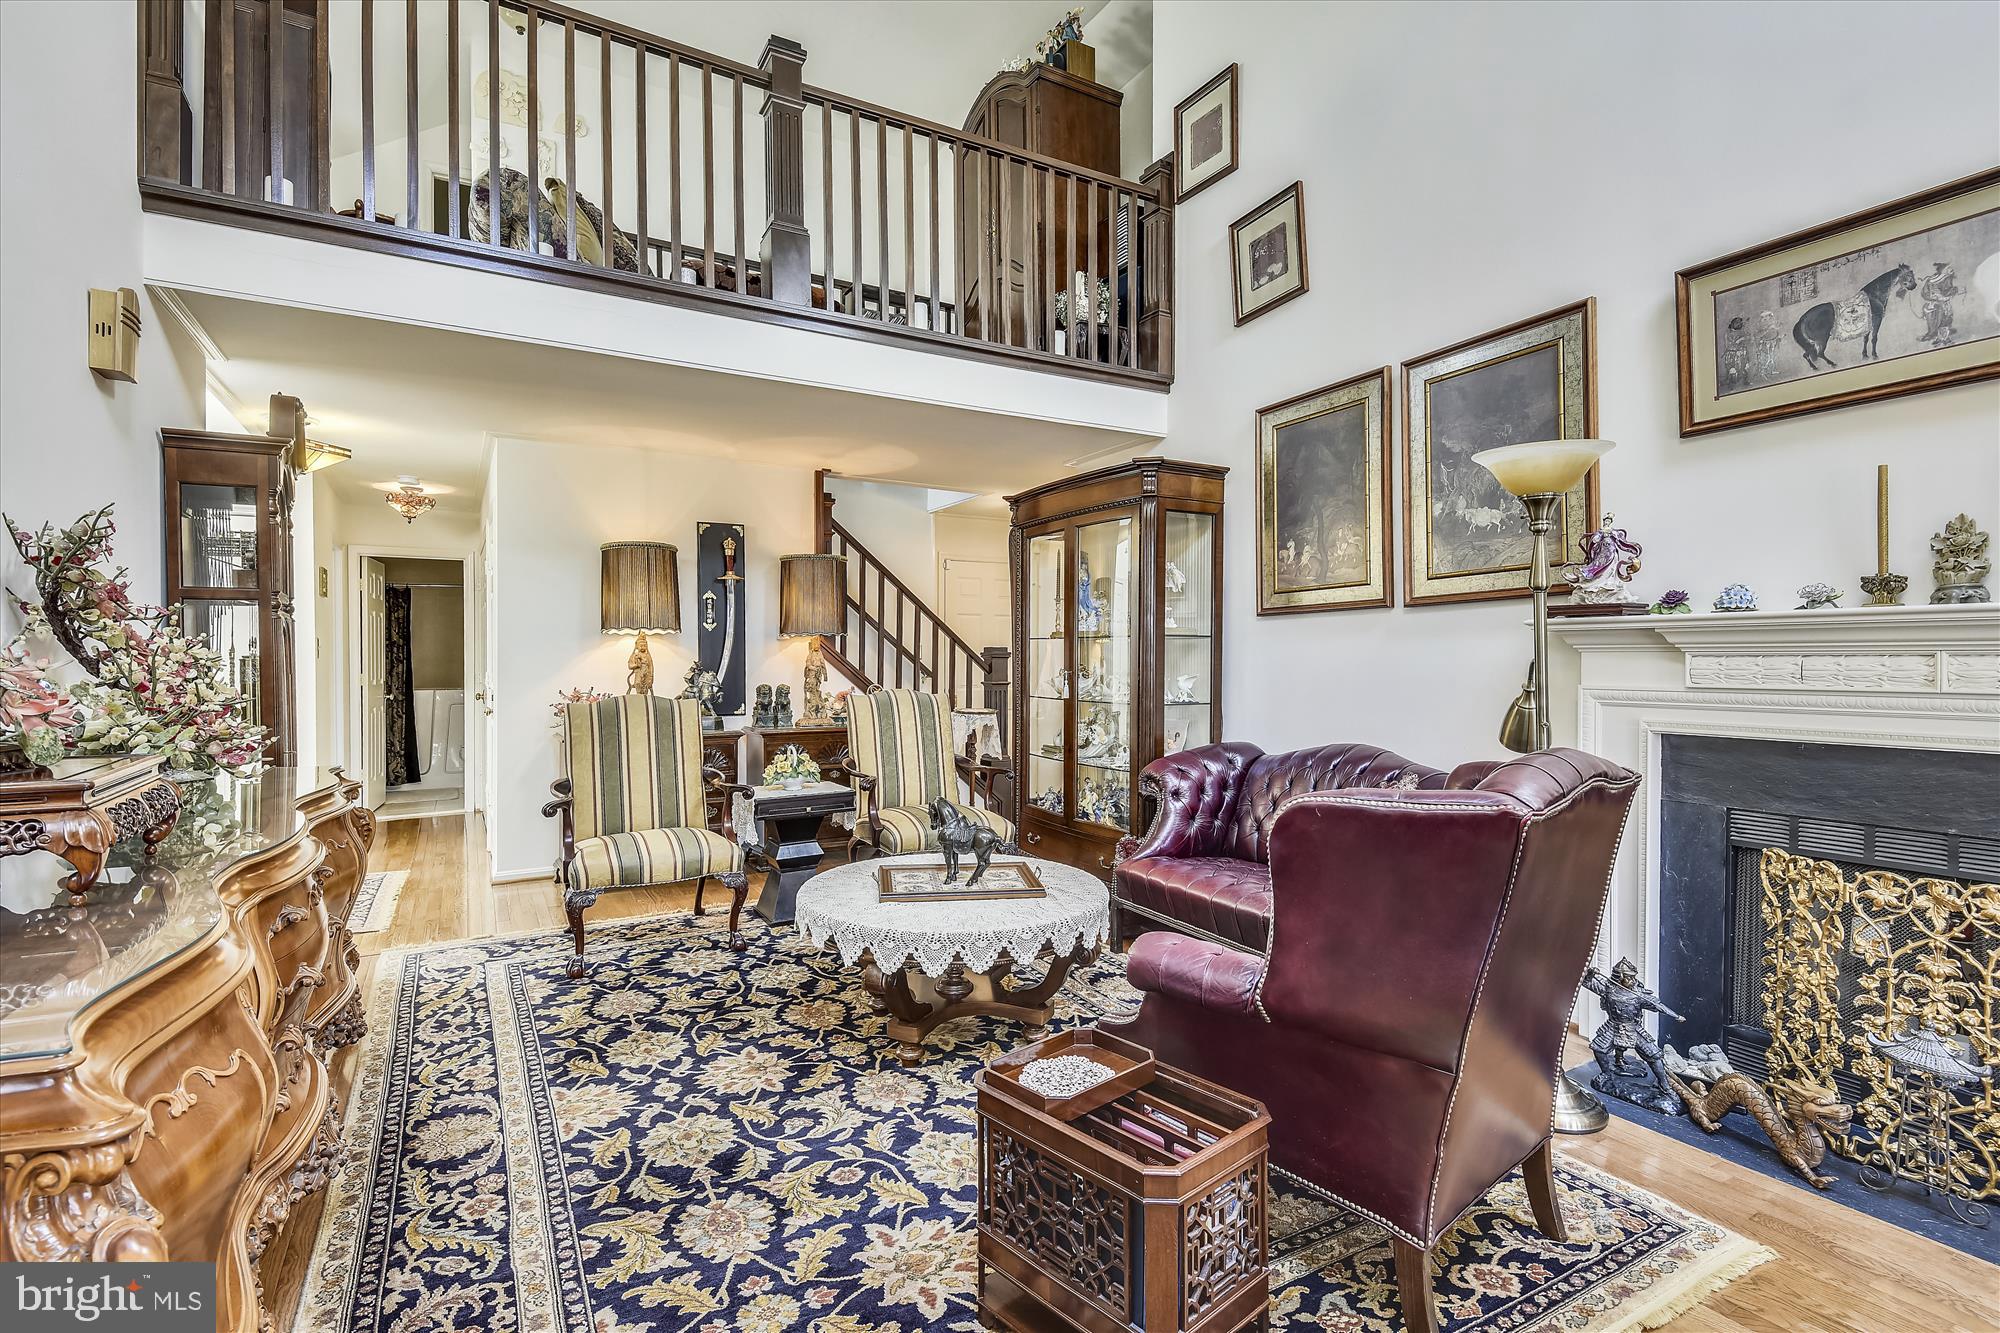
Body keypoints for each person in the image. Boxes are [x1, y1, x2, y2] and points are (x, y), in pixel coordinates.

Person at [1919, 261, 1959, 346]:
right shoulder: (1931, 279)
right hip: (1933, 303)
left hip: (1943, 302)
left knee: (1945, 317)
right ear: (1943, 270)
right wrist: (1933, 297)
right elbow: (1924, 292)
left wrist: (1953, 290)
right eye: (1948, 268)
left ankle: (1943, 337)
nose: (1951, 270)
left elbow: (1948, 291)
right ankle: (1932, 333)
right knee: (1933, 316)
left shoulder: (1948, 278)